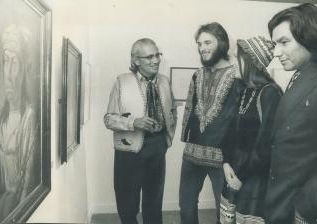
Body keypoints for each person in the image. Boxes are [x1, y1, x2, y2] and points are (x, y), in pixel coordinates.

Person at [104, 38, 177, 224]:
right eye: (149, 57)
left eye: (157, 55)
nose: (156, 60)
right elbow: (108, 119)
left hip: (157, 149)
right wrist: (133, 122)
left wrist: (166, 140)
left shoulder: (165, 81)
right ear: (136, 60)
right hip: (129, 152)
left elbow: (172, 111)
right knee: (128, 207)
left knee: (154, 205)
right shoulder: (122, 82)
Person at [264, 3, 317, 224]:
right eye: (274, 44)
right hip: (282, 202)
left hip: (299, 210)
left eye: (284, 42)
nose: (276, 52)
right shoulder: (302, 73)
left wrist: (306, 205)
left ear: (310, 37)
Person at [179, 22, 243, 224]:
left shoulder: (238, 76)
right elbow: (190, 108)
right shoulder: (197, 75)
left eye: (207, 42)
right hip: (192, 152)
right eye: (199, 43)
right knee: (186, 204)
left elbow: (241, 118)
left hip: (224, 157)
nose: (202, 48)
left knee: (225, 209)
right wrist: (184, 138)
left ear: (221, 43)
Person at [219, 36, 282, 224]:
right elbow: (230, 131)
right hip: (234, 172)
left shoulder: (270, 93)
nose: (232, 63)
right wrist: (226, 163)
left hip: (254, 179)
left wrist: (241, 176)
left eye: (235, 58)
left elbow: (266, 145)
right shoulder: (245, 89)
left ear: (250, 61)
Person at [0, 24, 38, 222]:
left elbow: (26, 181)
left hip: (15, 206)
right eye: (6, 61)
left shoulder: (28, 117)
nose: (9, 73)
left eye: (14, 63)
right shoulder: (2, 116)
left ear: (24, 69)